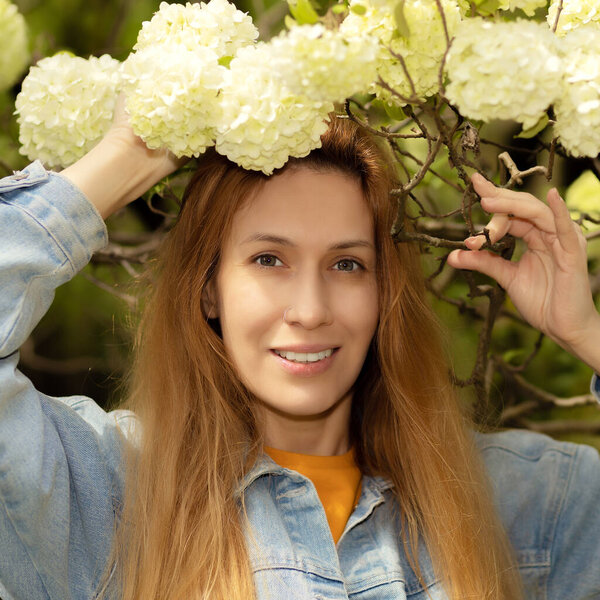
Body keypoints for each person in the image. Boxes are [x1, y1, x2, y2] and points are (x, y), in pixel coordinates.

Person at [1, 109, 599, 600]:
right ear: (209, 288)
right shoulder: (106, 490)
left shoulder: (519, 503)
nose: (310, 310)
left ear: (382, 293)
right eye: (269, 259)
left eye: (347, 264)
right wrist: (127, 155)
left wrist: (587, 334)